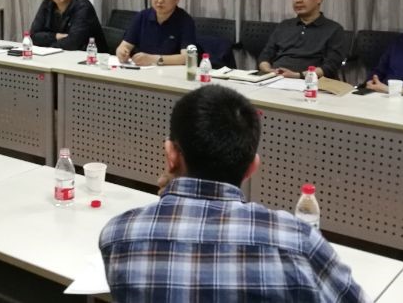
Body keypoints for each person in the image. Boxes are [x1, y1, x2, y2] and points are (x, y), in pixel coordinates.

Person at [99, 85, 367, 302]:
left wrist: (169, 195)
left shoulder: (120, 234)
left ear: (170, 155)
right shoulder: (296, 242)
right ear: (252, 167)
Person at [258, 0, 346, 79]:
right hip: (275, 79)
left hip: (311, 82)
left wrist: (298, 75)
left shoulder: (334, 29)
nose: (298, 0)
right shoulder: (284, 26)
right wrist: (268, 71)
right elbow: (265, 56)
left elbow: (331, 66)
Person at [116, 0, 196, 66]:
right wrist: (122, 52)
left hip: (170, 72)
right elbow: (124, 46)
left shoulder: (186, 21)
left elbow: (189, 57)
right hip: (142, 70)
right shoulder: (142, 16)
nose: (159, 0)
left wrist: (154, 59)